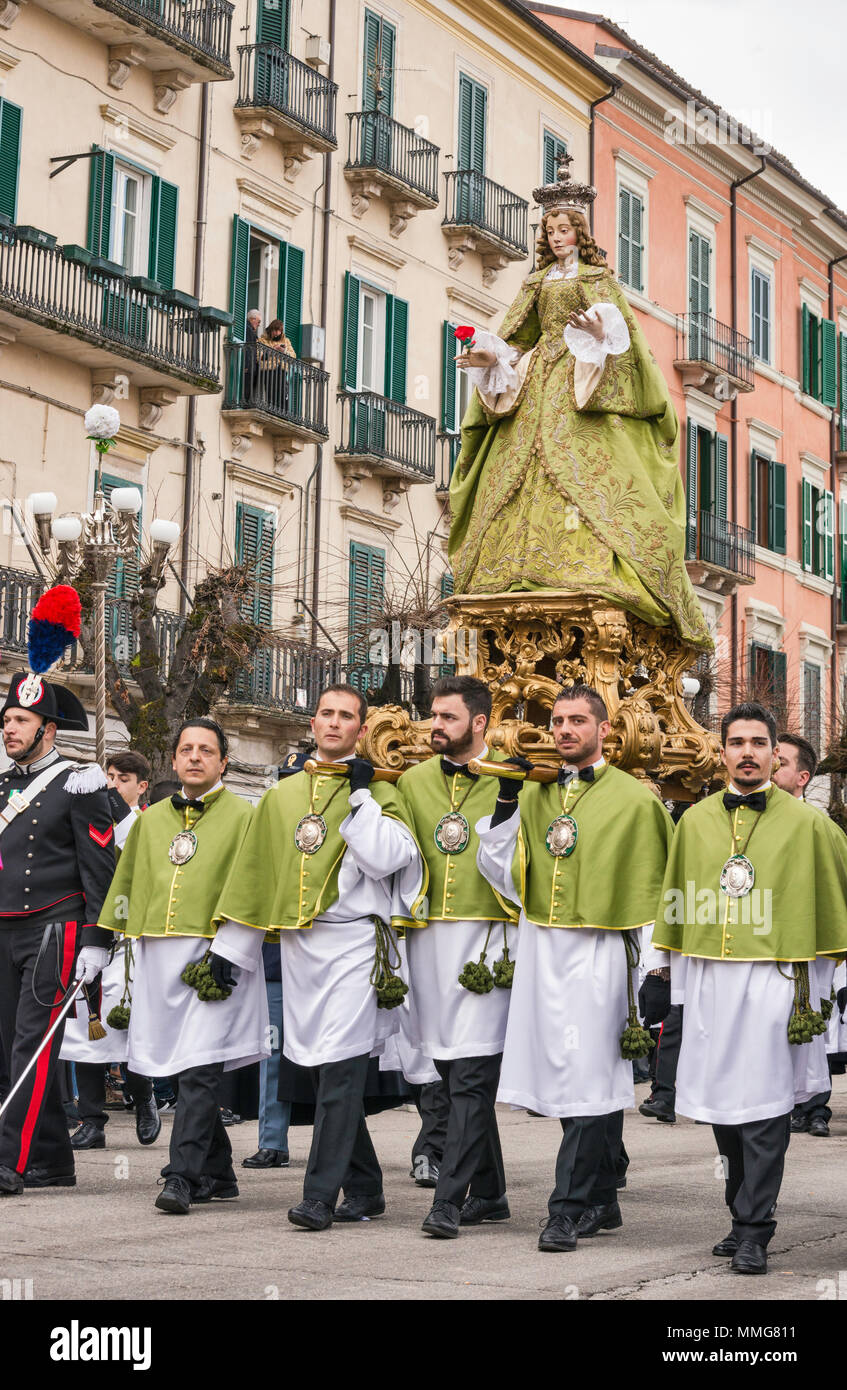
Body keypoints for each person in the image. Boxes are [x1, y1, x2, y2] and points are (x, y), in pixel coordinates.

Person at [447, 155, 710, 652]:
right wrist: (491, 355)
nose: (556, 236)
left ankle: (593, 567)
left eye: (564, 228)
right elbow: (517, 340)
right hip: (538, 380)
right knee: (519, 479)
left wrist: (600, 335)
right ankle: (513, 568)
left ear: (580, 231)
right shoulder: (535, 283)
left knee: (586, 479)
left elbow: (625, 340)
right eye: (549, 229)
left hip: (582, 379)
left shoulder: (599, 280)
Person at [214, 684, 422, 1231]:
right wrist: (229, 951)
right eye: (326, 714)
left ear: (361, 727)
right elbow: (254, 874)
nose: (334, 724)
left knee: (342, 1070)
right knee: (316, 1069)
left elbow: (387, 859)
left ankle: (318, 1195)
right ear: (313, 724)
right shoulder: (280, 797)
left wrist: (361, 801)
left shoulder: (381, 790)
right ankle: (368, 1187)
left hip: (356, 943)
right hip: (301, 946)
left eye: (345, 716)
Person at [476, 683, 674, 1252]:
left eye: (577, 721)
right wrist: (508, 802)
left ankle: (564, 1209)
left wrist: (657, 970)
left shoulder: (637, 800)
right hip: (542, 946)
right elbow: (503, 876)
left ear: (603, 729)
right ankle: (603, 1201)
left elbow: (662, 888)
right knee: (564, 1078)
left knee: (589, 1075)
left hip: (599, 951)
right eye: (558, 721)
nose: (564, 730)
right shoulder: (537, 792)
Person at [652, 703, 847, 1274]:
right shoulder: (695, 821)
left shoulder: (813, 825)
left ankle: (755, 1226)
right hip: (712, 977)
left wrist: (826, 977)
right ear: (723, 750)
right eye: (736, 742)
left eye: (758, 743)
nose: (747, 752)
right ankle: (741, 1210)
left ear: (772, 753)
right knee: (722, 1106)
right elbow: (675, 894)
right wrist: (663, 972)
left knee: (763, 1108)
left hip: (775, 979)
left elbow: (837, 898)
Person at [97, 718, 269, 1215]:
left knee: (199, 1068)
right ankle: (219, 1172)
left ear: (223, 763)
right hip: (157, 958)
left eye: (206, 750)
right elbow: (125, 886)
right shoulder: (149, 820)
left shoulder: (245, 816)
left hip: (215, 956)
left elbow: (254, 885)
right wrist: (103, 942)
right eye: (186, 749)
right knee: (179, 1063)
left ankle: (181, 1175)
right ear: (173, 760)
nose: (195, 757)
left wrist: (230, 951)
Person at [394, 675, 519, 1240]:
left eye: (447, 717)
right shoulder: (413, 781)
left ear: (480, 723)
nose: (435, 726)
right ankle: (490, 1194)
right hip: (426, 945)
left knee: (470, 1075)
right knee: (449, 1070)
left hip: (487, 945)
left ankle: (448, 1200)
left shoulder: (517, 782)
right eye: (433, 716)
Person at [0, 672, 116, 1195]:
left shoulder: (79, 782)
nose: (9, 729)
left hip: (54, 929)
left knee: (32, 1047)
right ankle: (52, 1159)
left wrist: (96, 939)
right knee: (7, 1049)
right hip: (4, 929)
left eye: (20, 720)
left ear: (48, 728)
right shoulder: (3, 786)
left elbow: (101, 869)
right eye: (6, 720)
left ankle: (10, 1160)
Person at [61, 749, 161, 1151]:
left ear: (141, 786)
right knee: (87, 1029)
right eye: (111, 776)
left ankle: (145, 1096)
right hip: (93, 936)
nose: (114, 783)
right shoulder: (90, 817)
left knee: (125, 1028)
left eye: (123, 778)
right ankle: (92, 1120)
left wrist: (115, 803)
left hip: (130, 943)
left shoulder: (144, 823)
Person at [772, 732, 833, 1138]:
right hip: (759, 940)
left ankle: (813, 1107)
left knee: (807, 1027)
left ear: (803, 778)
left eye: (782, 764)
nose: (772, 769)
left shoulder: (819, 826)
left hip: (805, 945)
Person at [256, 318, 296, 416]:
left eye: (279, 331)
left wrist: (284, 351)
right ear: (271, 330)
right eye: (275, 330)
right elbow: (259, 357)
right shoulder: (262, 340)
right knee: (271, 393)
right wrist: (272, 350)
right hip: (268, 371)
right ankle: (272, 412)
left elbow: (293, 356)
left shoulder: (286, 341)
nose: (277, 333)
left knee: (282, 393)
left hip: (282, 370)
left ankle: (282, 415)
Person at [243, 309, 262, 403]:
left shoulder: (249, 330)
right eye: (259, 321)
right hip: (248, 366)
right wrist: (246, 365)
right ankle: (245, 403)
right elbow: (248, 349)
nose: (259, 324)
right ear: (252, 319)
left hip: (250, 366)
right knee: (246, 389)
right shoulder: (248, 330)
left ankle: (247, 402)